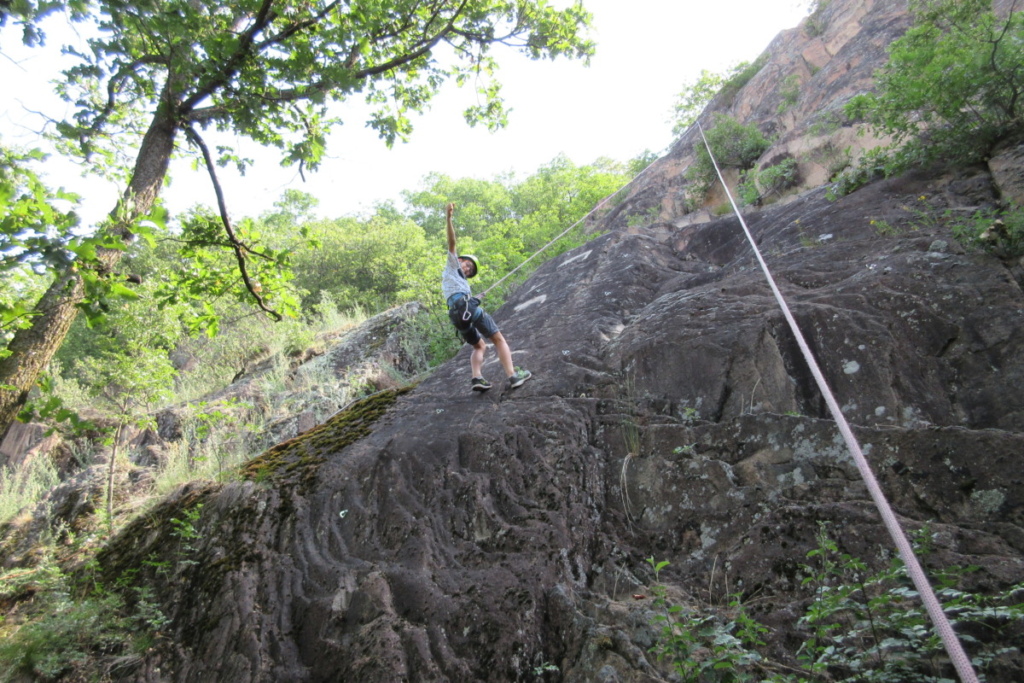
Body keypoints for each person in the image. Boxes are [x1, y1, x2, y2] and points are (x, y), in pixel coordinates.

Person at [441, 202, 532, 392]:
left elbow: (460, 297)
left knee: (479, 346)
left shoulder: (458, 280)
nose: (467, 269)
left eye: (470, 270)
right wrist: (449, 218)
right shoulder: (452, 265)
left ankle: (477, 378)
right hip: (466, 308)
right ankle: (513, 375)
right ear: (459, 260)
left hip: (457, 315)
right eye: (467, 265)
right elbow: (452, 242)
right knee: (498, 339)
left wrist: (475, 296)